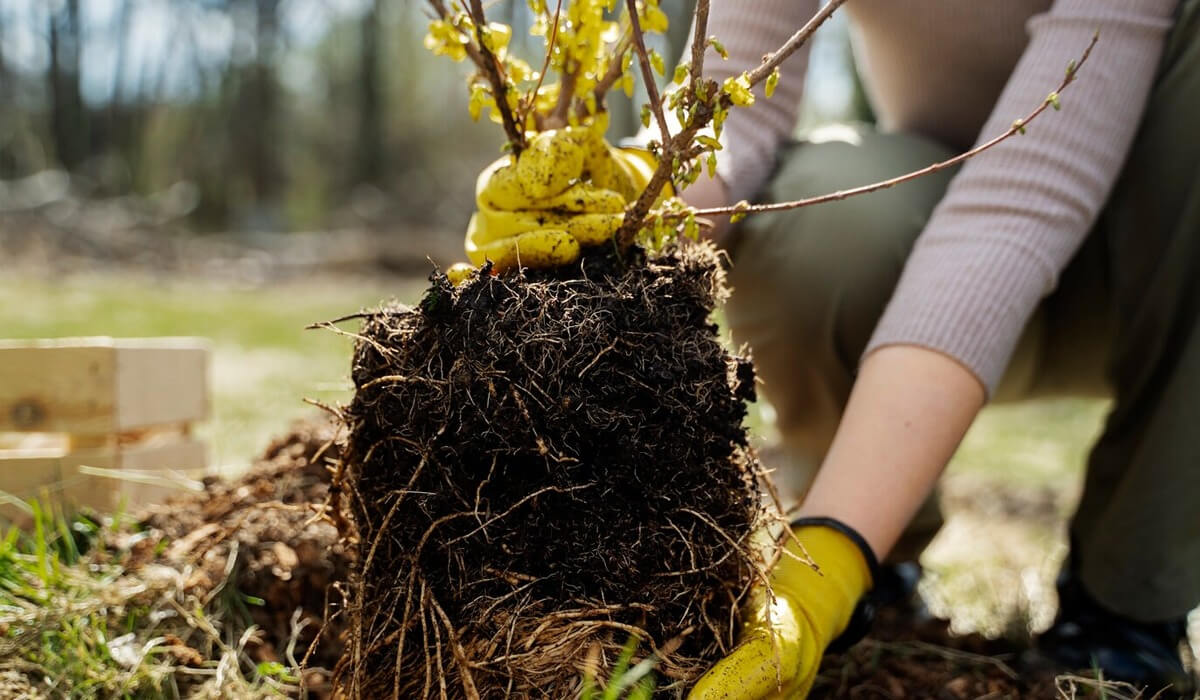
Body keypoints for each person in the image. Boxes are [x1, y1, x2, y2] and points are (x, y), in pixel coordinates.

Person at [465, 1, 1199, 697]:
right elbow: (730, 109)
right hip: (933, 223)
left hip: (1159, 274)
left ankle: (1128, 601)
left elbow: (1023, 203)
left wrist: (829, 560)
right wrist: (634, 194)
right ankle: (880, 555)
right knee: (823, 212)